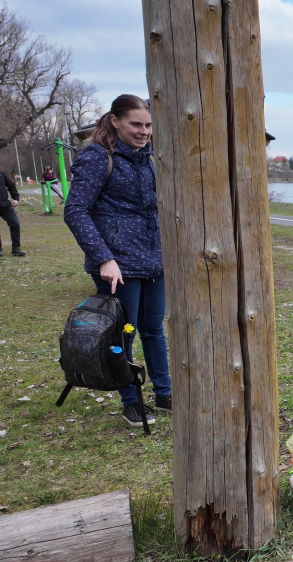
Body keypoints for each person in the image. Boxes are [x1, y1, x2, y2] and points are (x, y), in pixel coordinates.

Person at [64, 94, 170, 428]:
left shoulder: (151, 157)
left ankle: (165, 395)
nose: (143, 132)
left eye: (148, 125)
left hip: (154, 260)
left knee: (154, 330)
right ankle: (132, 402)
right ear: (115, 121)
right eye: (136, 124)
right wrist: (104, 258)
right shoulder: (97, 157)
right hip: (118, 265)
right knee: (123, 334)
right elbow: (76, 210)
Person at [0, 169, 25, 257]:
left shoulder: (1, 174)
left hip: (5, 205)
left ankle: (16, 248)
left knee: (15, 223)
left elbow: (11, 186)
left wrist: (15, 198)